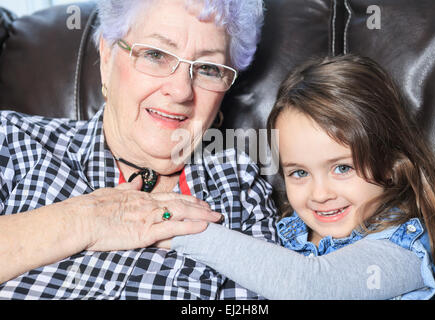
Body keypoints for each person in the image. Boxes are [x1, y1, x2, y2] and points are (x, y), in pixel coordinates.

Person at [0, 0, 279, 299]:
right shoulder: (13, 141)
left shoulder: (237, 189)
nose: (182, 91)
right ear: (107, 56)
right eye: (156, 55)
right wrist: (83, 219)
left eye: (208, 69)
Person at [165, 55, 435, 299]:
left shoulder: (404, 248)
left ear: (389, 162)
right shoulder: (287, 231)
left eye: (342, 168)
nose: (319, 194)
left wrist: (176, 231)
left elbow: (312, 286)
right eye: (299, 172)